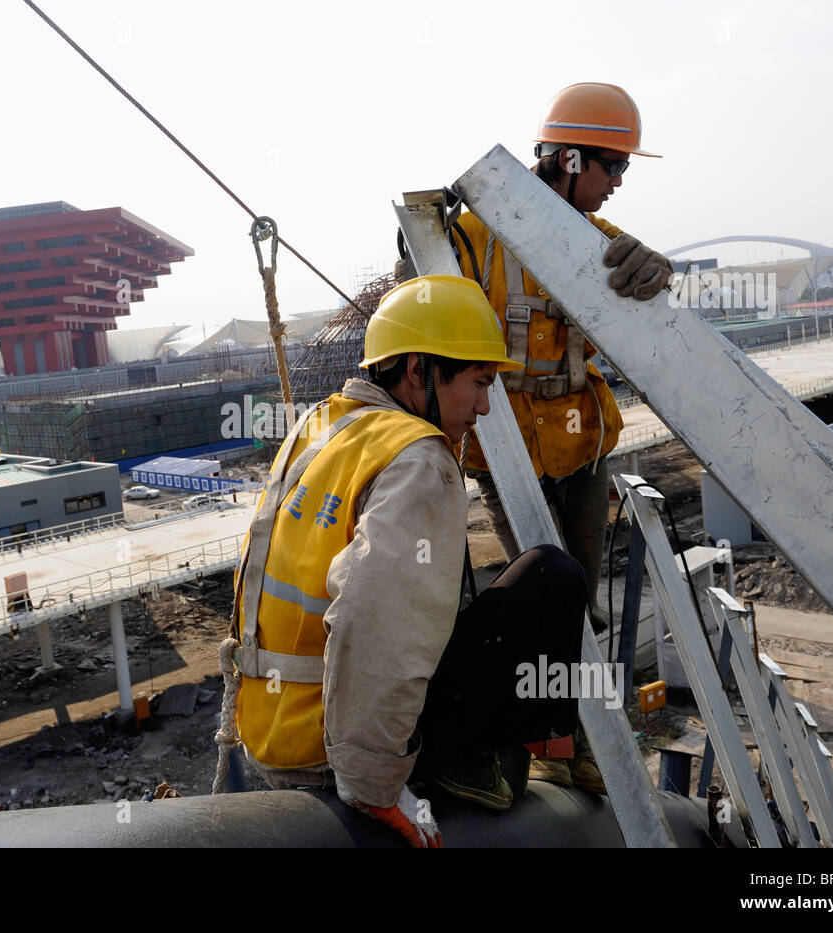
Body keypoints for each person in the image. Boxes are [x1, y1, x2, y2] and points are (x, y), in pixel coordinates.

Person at [221, 275, 588, 847]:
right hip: (333, 748)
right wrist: (375, 784)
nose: (485, 406)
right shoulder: (416, 457)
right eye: (478, 382)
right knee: (552, 576)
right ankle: (478, 763)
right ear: (419, 371)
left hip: (271, 730)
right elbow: (374, 621)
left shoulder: (319, 426)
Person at [446, 83, 673, 792]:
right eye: (613, 168)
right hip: (506, 448)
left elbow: (642, 276)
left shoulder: (596, 242)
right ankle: (554, 739)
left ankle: (574, 739)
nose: (617, 185)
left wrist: (660, 270)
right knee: (548, 596)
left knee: (582, 598)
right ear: (570, 159)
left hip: (580, 447)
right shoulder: (474, 236)